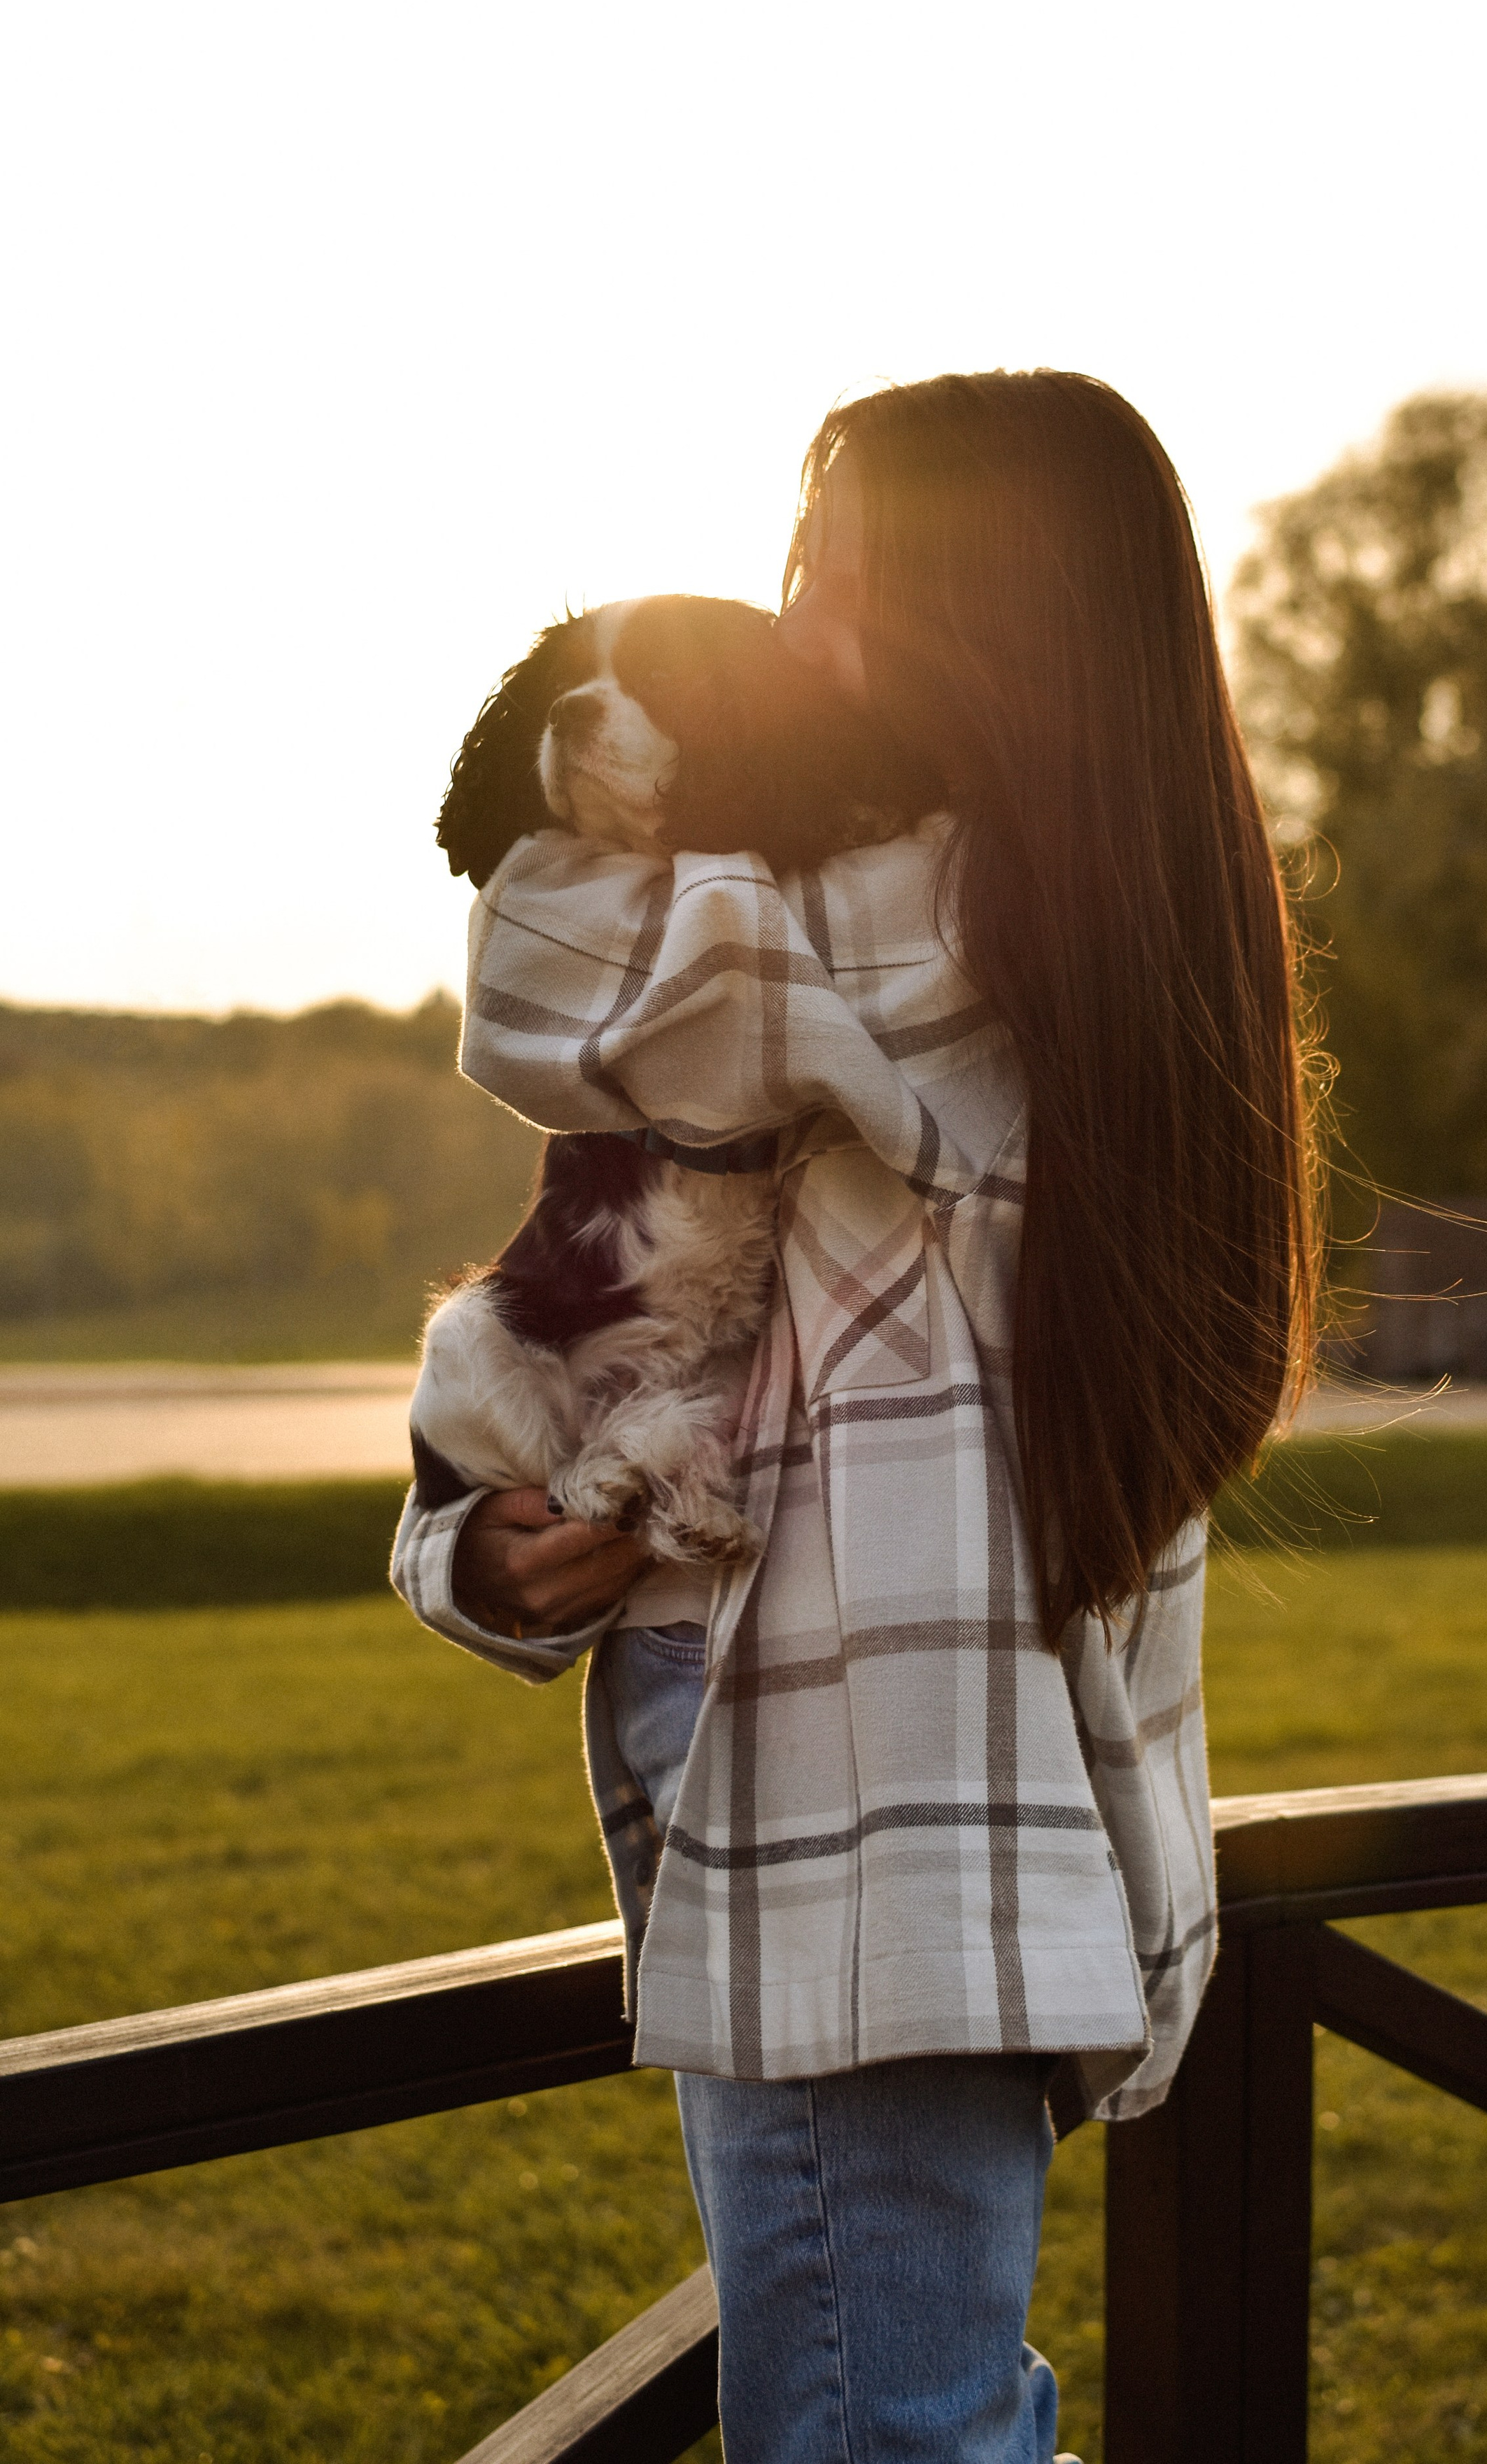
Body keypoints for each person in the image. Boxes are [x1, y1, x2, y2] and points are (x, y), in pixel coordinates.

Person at [390, 369, 1321, 2464]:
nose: (791, 632)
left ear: (1001, 626)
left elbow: (537, 972)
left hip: (856, 1842)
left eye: (841, 581)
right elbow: (637, 1335)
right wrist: (478, 1553)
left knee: (880, 2439)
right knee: (929, 2424)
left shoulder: (916, 933)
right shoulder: (1137, 954)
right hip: (980, 1839)